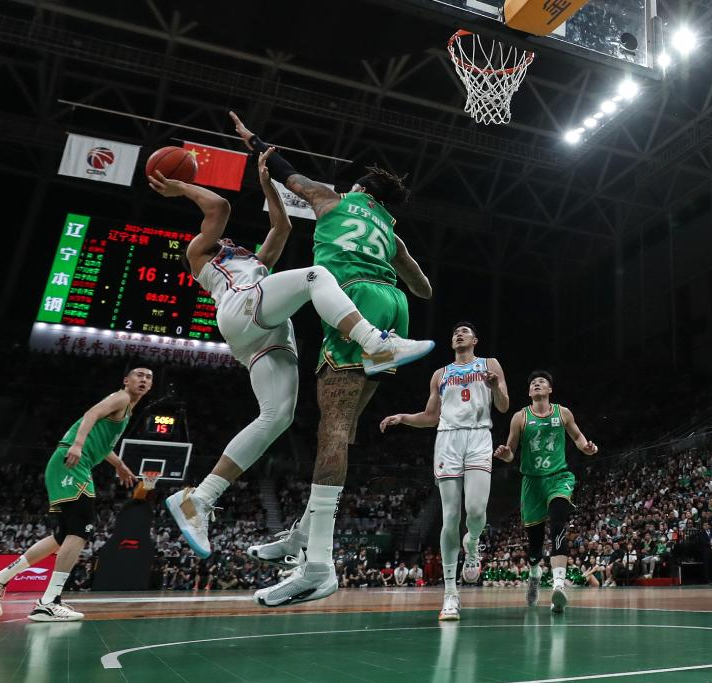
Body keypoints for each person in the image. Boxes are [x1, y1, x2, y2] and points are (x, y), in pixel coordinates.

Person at [151, 151, 432, 562]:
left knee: (277, 417)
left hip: (263, 333)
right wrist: (181, 187)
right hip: (241, 307)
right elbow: (219, 206)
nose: (226, 238)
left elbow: (281, 227)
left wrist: (268, 185)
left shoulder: (253, 261)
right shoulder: (202, 254)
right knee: (317, 275)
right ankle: (373, 339)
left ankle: (200, 499)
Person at [228, 111, 434, 607]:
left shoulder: (331, 199)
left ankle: (318, 564)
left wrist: (254, 140)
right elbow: (424, 288)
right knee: (346, 428)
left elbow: (283, 168)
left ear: (358, 188)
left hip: (356, 300)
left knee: (333, 430)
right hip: (395, 307)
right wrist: (388, 255)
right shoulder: (391, 232)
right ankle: (302, 535)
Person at [0, 368, 147, 622]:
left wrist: (119, 464)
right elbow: (91, 414)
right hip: (73, 462)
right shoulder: (121, 397)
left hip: (71, 462)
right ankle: (48, 602)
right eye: (139, 375)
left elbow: (102, 444)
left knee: (63, 535)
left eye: (148, 377)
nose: (144, 379)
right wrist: (77, 444)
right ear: (126, 380)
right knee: (82, 528)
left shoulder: (126, 407)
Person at [379, 322, 508, 621]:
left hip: (479, 436)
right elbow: (430, 416)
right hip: (448, 439)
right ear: (452, 342)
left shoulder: (490, 364)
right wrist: (403, 417)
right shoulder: (440, 374)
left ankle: (472, 543)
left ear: (475, 339)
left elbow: (503, 405)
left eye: (465, 332)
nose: (458, 334)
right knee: (450, 516)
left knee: (475, 511)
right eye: (455, 333)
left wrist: (494, 387)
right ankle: (450, 593)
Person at [494, 371, 598, 613]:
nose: (537, 384)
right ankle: (534, 573)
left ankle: (558, 586)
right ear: (529, 392)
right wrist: (505, 454)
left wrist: (587, 448)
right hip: (532, 483)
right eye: (533, 383)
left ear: (550, 389)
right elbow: (511, 452)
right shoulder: (520, 417)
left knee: (559, 523)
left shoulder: (563, 413)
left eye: (542, 382)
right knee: (535, 545)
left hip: (558, 477)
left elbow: (579, 438)